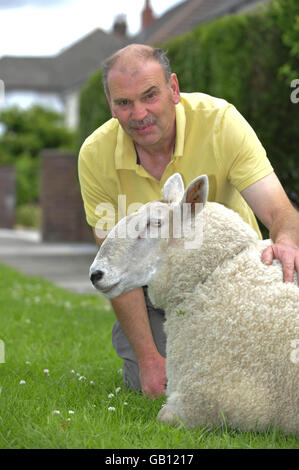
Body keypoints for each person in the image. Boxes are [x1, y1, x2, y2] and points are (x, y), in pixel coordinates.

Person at [78, 44, 299, 399]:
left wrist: (287, 241)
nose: (139, 113)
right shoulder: (95, 155)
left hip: (234, 276)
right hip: (157, 291)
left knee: (268, 367)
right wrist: (149, 358)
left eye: (150, 96)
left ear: (173, 89)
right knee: (153, 383)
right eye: (124, 103)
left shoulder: (221, 122)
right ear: (110, 103)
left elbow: (279, 211)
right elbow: (115, 262)